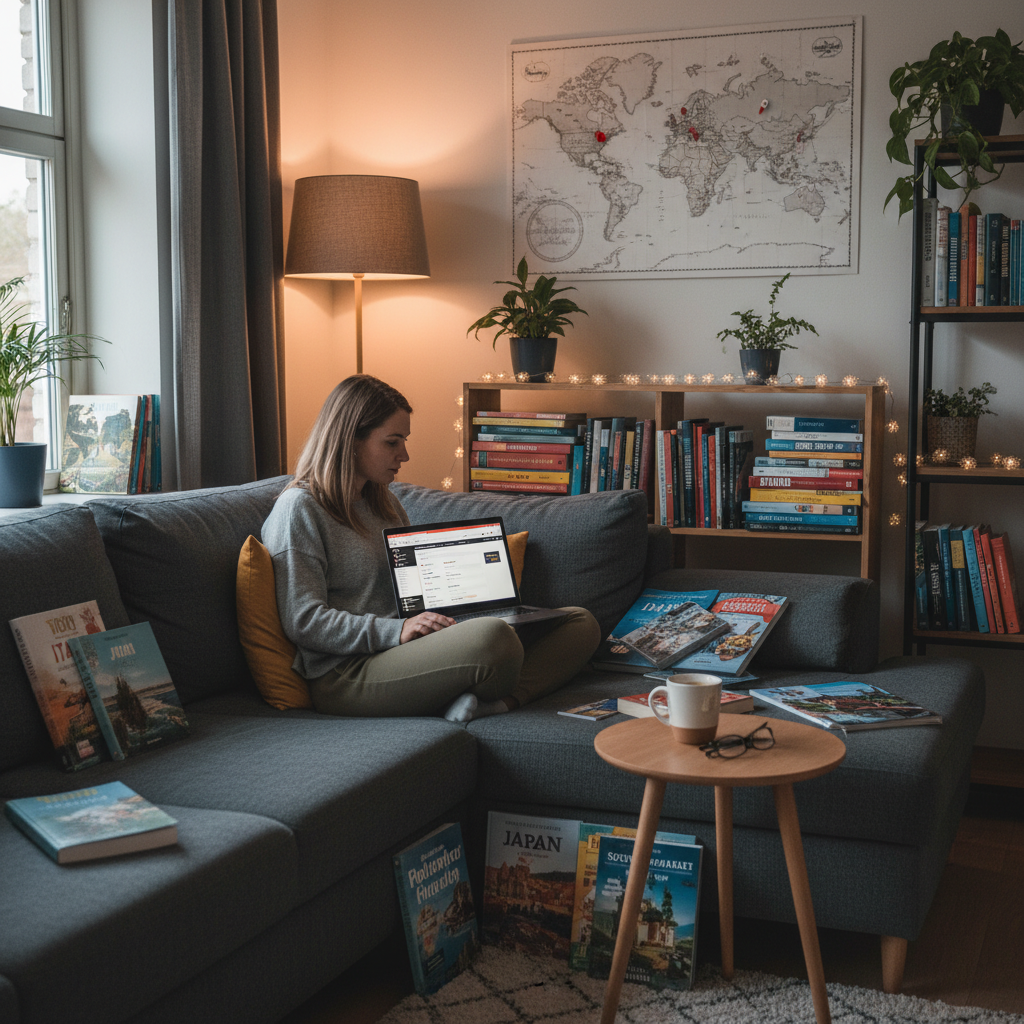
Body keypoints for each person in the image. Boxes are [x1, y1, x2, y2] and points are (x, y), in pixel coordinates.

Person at [261, 374, 601, 722]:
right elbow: (304, 621)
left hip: (408, 650)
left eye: (404, 441)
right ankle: (477, 684)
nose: (404, 455)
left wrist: (456, 615)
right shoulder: (299, 509)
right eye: (392, 442)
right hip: (346, 672)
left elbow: (413, 595)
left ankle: (493, 704)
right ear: (350, 440)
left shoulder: (384, 503)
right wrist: (397, 631)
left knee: (580, 623)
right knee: (494, 637)